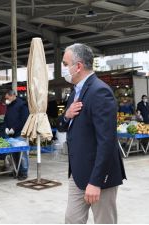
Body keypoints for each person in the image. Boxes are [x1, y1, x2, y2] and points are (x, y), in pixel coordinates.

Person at [57, 43, 126, 224]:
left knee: (104, 221)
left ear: (78, 66)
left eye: (65, 64)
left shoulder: (99, 91)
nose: (63, 69)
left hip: (100, 176)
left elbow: (107, 141)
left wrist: (96, 182)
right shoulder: (75, 93)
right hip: (78, 173)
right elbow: (63, 127)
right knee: (72, 220)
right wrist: (66, 115)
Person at [4, 90, 29, 180]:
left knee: (22, 155)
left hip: (20, 133)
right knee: (14, 154)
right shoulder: (9, 105)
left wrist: (14, 128)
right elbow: (6, 117)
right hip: (11, 135)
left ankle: (24, 172)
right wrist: (6, 127)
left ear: (13, 95)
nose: (6, 100)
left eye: (7, 98)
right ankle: (16, 170)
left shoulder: (22, 105)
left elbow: (24, 120)